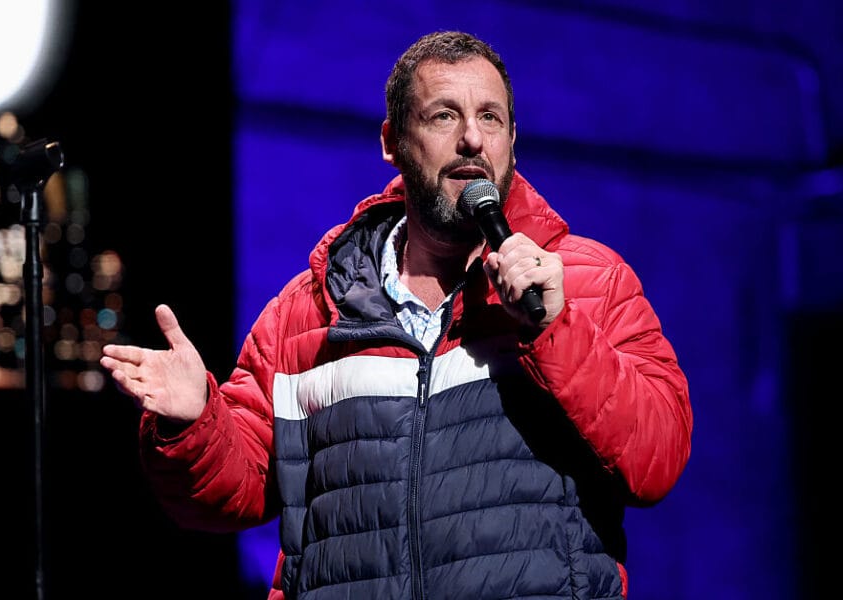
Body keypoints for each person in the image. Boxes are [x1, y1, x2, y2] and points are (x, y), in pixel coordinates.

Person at [100, 30, 693, 600]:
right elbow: (235, 491)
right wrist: (194, 422)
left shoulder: (588, 282)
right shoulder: (309, 310)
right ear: (391, 141)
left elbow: (656, 460)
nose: (471, 139)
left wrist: (554, 329)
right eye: (443, 116)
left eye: (491, 117)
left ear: (513, 139)